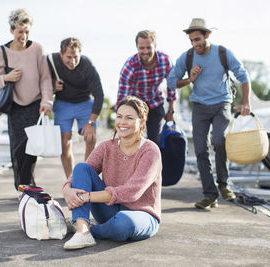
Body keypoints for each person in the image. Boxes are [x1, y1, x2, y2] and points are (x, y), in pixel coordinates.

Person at [167, 18, 251, 209]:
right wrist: (190, 79)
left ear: (207, 35)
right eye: (191, 41)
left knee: (219, 140)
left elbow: (243, 76)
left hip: (222, 102)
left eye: (197, 39)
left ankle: (224, 184)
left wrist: (246, 102)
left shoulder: (223, 53)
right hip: (199, 106)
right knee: (200, 150)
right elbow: (171, 82)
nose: (195, 44)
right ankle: (210, 194)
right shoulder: (187, 57)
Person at [62, 96, 162, 250]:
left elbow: (132, 192)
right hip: (109, 209)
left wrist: (84, 197)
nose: (122, 122)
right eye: (119, 117)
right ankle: (82, 231)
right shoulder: (106, 147)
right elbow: (82, 172)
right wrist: (67, 189)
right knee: (81, 167)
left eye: (129, 118)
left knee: (122, 224)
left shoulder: (150, 151)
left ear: (142, 121)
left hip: (141, 215)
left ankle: (89, 229)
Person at [0, 9, 53, 190]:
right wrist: (7, 77)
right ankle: (22, 184)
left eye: (27, 31)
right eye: (20, 31)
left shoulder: (37, 49)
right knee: (18, 149)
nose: (24, 35)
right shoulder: (1, 51)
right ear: (12, 31)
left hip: (35, 104)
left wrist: (46, 101)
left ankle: (26, 185)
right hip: (14, 105)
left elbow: (45, 78)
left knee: (32, 147)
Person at [48, 38, 104, 178]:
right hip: (62, 103)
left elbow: (99, 95)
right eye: (69, 57)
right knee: (64, 142)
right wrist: (52, 86)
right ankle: (71, 179)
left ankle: (85, 176)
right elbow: (41, 82)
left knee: (90, 138)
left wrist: (91, 123)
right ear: (61, 54)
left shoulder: (86, 65)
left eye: (75, 57)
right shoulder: (51, 60)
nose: (72, 61)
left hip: (84, 102)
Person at [116, 30, 176, 145]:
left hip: (155, 102)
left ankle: (154, 161)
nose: (145, 51)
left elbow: (172, 86)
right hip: (135, 106)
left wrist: (171, 111)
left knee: (155, 141)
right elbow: (123, 94)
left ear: (155, 46)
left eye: (149, 47)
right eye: (141, 48)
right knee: (133, 139)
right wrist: (121, 118)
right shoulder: (130, 66)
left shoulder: (165, 61)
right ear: (137, 47)